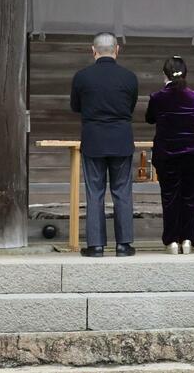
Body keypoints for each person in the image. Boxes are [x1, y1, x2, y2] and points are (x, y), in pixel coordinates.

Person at [70, 32, 139, 258]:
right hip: (121, 138)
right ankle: (124, 245)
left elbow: (75, 106)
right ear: (117, 50)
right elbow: (130, 106)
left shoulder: (82, 77)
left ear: (94, 50)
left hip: (94, 138)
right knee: (122, 192)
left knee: (95, 192)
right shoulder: (129, 77)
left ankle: (96, 245)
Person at [145, 56, 194, 255]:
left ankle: (172, 241)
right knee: (190, 197)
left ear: (165, 74)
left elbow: (149, 118)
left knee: (170, 197)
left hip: (167, 153)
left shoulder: (157, 97)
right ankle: (188, 240)